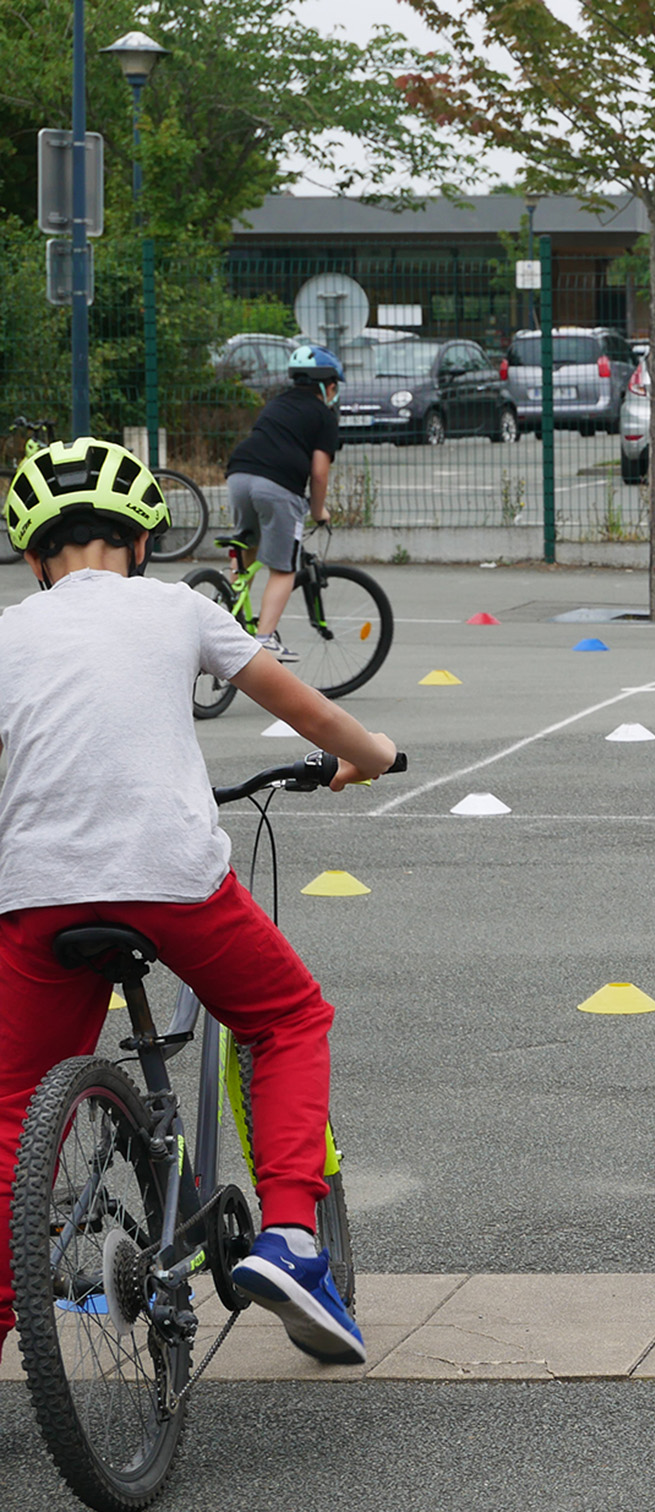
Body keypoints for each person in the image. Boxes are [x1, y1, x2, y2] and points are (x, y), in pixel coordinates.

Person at [0, 438, 397, 1369]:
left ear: (30, 557)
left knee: (14, 1107)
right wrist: (368, 753)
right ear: (144, 544)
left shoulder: (8, 630)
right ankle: (294, 1239)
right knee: (291, 1017)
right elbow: (308, 712)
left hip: (39, 893)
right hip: (171, 874)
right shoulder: (180, 607)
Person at [223, 343, 342, 663]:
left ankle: (224, 613)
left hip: (238, 475)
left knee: (246, 546)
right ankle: (264, 638)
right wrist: (318, 511)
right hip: (277, 486)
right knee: (284, 566)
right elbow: (319, 474)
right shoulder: (324, 416)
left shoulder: (277, 404)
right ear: (328, 386)